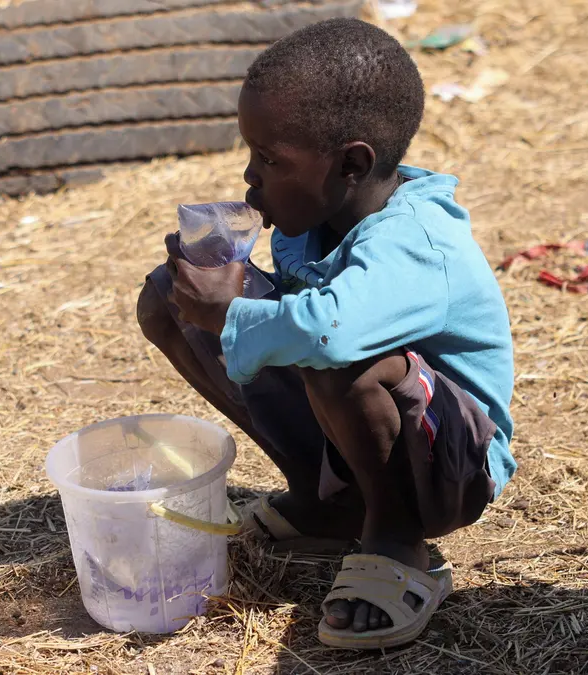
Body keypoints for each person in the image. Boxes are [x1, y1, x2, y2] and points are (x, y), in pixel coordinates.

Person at [136, 18, 515, 649]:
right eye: (251, 153)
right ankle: (328, 501)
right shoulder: (307, 220)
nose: (250, 178)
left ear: (351, 165)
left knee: (341, 355)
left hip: (452, 467)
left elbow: (331, 334)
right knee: (164, 300)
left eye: (270, 159)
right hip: (358, 418)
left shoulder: (416, 240)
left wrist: (234, 311)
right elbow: (288, 333)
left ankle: (398, 541)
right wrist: (212, 291)